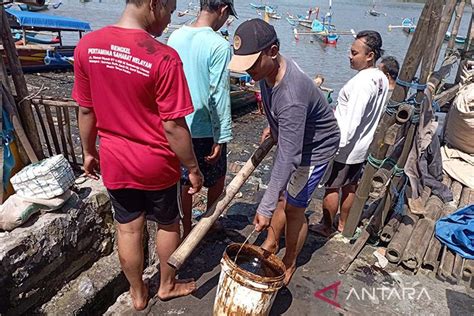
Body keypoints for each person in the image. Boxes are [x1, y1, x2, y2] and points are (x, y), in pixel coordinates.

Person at [73, 0, 203, 310]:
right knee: (168, 224)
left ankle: (138, 294)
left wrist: (88, 151)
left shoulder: (88, 46)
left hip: (116, 162)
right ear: (154, 4)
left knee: (128, 228)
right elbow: (173, 125)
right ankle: (167, 285)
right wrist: (193, 168)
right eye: (169, 10)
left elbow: (85, 109)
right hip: (156, 164)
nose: (169, 19)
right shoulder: (163, 58)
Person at [228, 19, 340, 285]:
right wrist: (274, 124)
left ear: (273, 51)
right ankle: (271, 240)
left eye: (253, 64)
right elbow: (270, 100)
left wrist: (264, 208)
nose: (249, 72)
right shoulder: (267, 71)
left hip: (315, 148)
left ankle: (289, 261)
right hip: (294, 139)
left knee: (292, 207)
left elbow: (290, 158)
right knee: (280, 194)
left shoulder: (291, 95)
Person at [168, 0, 237, 238]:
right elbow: (218, 93)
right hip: (206, 126)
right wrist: (222, 135)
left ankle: (186, 228)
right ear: (223, 10)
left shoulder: (175, 36)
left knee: (185, 180)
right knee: (216, 177)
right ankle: (209, 222)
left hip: (178, 124)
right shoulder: (219, 44)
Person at [311, 30, 389, 237]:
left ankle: (327, 226)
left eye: (355, 53)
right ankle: (343, 224)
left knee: (331, 187)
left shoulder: (361, 84)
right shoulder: (380, 77)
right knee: (350, 186)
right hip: (362, 145)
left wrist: (335, 145)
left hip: (345, 146)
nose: (349, 56)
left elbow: (352, 120)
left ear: (369, 55)